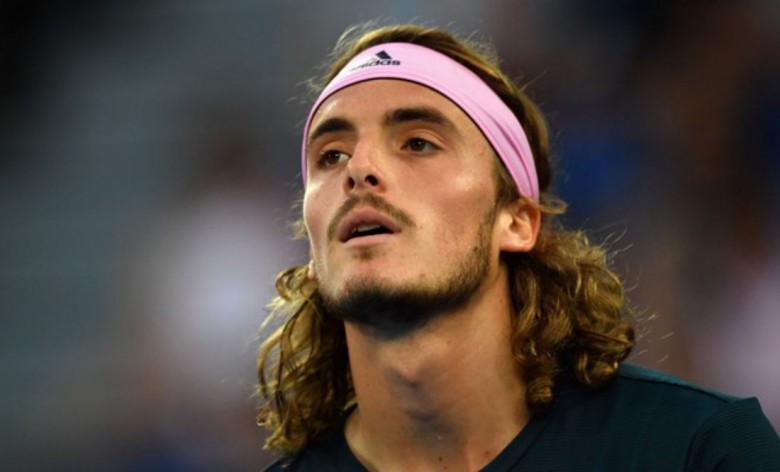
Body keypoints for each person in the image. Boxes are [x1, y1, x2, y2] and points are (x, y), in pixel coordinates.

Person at [257, 24, 780, 471]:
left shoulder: (699, 450)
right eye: (331, 155)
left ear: (517, 222)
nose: (359, 169)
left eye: (418, 143)